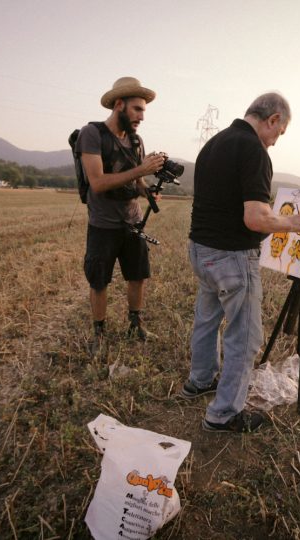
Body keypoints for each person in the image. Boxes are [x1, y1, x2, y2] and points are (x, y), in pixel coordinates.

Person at [182, 92, 300, 433]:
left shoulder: (215, 143)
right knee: (246, 337)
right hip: (230, 257)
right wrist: (290, 223)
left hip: (201, 250)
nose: (274, 142)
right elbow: (255, 218)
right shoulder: (254, 150)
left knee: (207, 320)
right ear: (273, 120)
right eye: (278, 134)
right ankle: (223, 414)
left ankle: (200, 379)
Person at [75, 77, 166, 353]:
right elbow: (98, 183)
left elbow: (136, 180)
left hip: (132, 221)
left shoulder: (135, 140)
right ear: (119, 105)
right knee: (99, 279)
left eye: (144, 111)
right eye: (137, 109)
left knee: (138, 275)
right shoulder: (92, 134)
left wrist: (147, 191)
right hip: (103, 224)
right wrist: (142, 171)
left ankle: (135, 325)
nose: (141, 116)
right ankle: (99, 332)